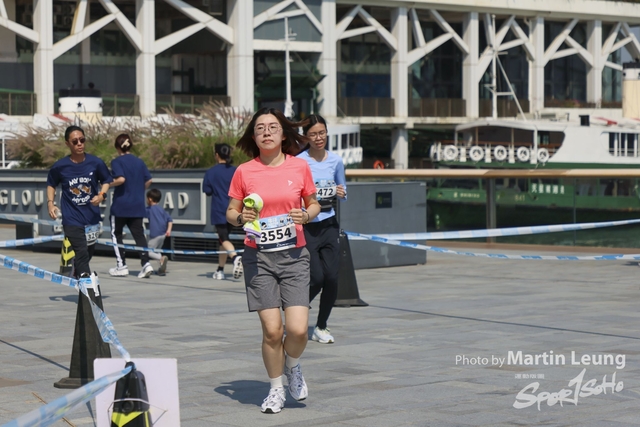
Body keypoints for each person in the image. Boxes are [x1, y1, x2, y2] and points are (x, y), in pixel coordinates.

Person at [226, 108, 320, 414]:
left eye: (272, 127)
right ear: (253, 137)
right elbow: (230, 212)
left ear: (283, 134)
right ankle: (276, 389)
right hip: (259, 258)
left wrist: (306, 215)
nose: (266, 132)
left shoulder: (299, 167)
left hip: (294, 257)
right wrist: (241, 217)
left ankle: (292, 365)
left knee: (298, 330)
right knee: (272, 331)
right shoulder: (244, 171)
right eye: (260, 128)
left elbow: (314, 204)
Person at [298, 115, 347, 344]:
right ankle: (296, 308)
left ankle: (321, 326)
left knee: (332, 278)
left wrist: (342, 192)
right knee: (316, 278)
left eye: (322, 133)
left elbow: (343, 190)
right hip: (308, 225)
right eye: (313, 134)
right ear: (306, 137)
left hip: (329, 224)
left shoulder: (336, 161)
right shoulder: (299, 162)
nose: (319, 138)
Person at [46, 125, 112, 282]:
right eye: (75, 141)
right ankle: (86, 285)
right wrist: (50, 203)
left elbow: (106, 180)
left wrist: (101, 195)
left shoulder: (95, 163)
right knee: (81, 251)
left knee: (88, 253)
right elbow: (51, 184)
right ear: (67, 144)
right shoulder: (60, 166)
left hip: (91, 217)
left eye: (82, 140)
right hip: (71, 218)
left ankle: (77, 271)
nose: (79, 144)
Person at [107, 134, 154, 279]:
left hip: (121, 205)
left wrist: (107, 184)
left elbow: (121, 179)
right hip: (137, 205)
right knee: (139, 235)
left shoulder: (117, 162)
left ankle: (121, 265)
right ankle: (146, 263)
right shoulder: (139, 162)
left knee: (116, 234)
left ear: (117, 147)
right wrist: (139, 190)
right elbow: (149, 180)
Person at [203, 143, 242, 280]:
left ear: (217, 155)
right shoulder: (236, 171)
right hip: (235, 209)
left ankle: (235, 257)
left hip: (219, 210)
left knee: (223, 238)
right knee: (223, 241)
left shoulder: (211, 172)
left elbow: (207, 191)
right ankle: (220, 269)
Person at [145, 188, 172, 275]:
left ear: (150, 199)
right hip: (163, 234)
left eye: (146, 198)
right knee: (156, 251)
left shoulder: (149, 209)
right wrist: (168, 230)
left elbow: (140, 213)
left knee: (147, 251)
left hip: (155, 234)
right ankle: (161, 269)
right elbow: (170, 220)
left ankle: (161, 259)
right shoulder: (162, 210)